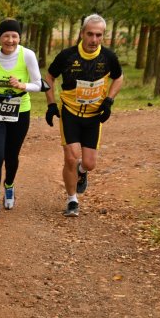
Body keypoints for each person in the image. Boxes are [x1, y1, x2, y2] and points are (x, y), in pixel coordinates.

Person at [44, 13, 123, 217]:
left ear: (103, 36)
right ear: (82, 33)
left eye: (98, 35)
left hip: (94, 116)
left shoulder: (108, 57)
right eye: (90, 34)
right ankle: (72, 200)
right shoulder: (67, 56)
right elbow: (49, 77)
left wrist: (109, 100)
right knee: (70, 157)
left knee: (89, 163)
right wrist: (51, 104)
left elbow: (119, 78)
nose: (94, 39)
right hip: (70, 113)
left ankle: (82, 171)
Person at [0, 18, 42, 220]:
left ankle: (9, 185)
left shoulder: (27, 55)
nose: (10, 40)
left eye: (14, 36)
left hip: (20, 110)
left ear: (19, 38)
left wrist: (23, 85)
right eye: (6, 36)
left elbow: (39, 84)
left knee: (12, 156)